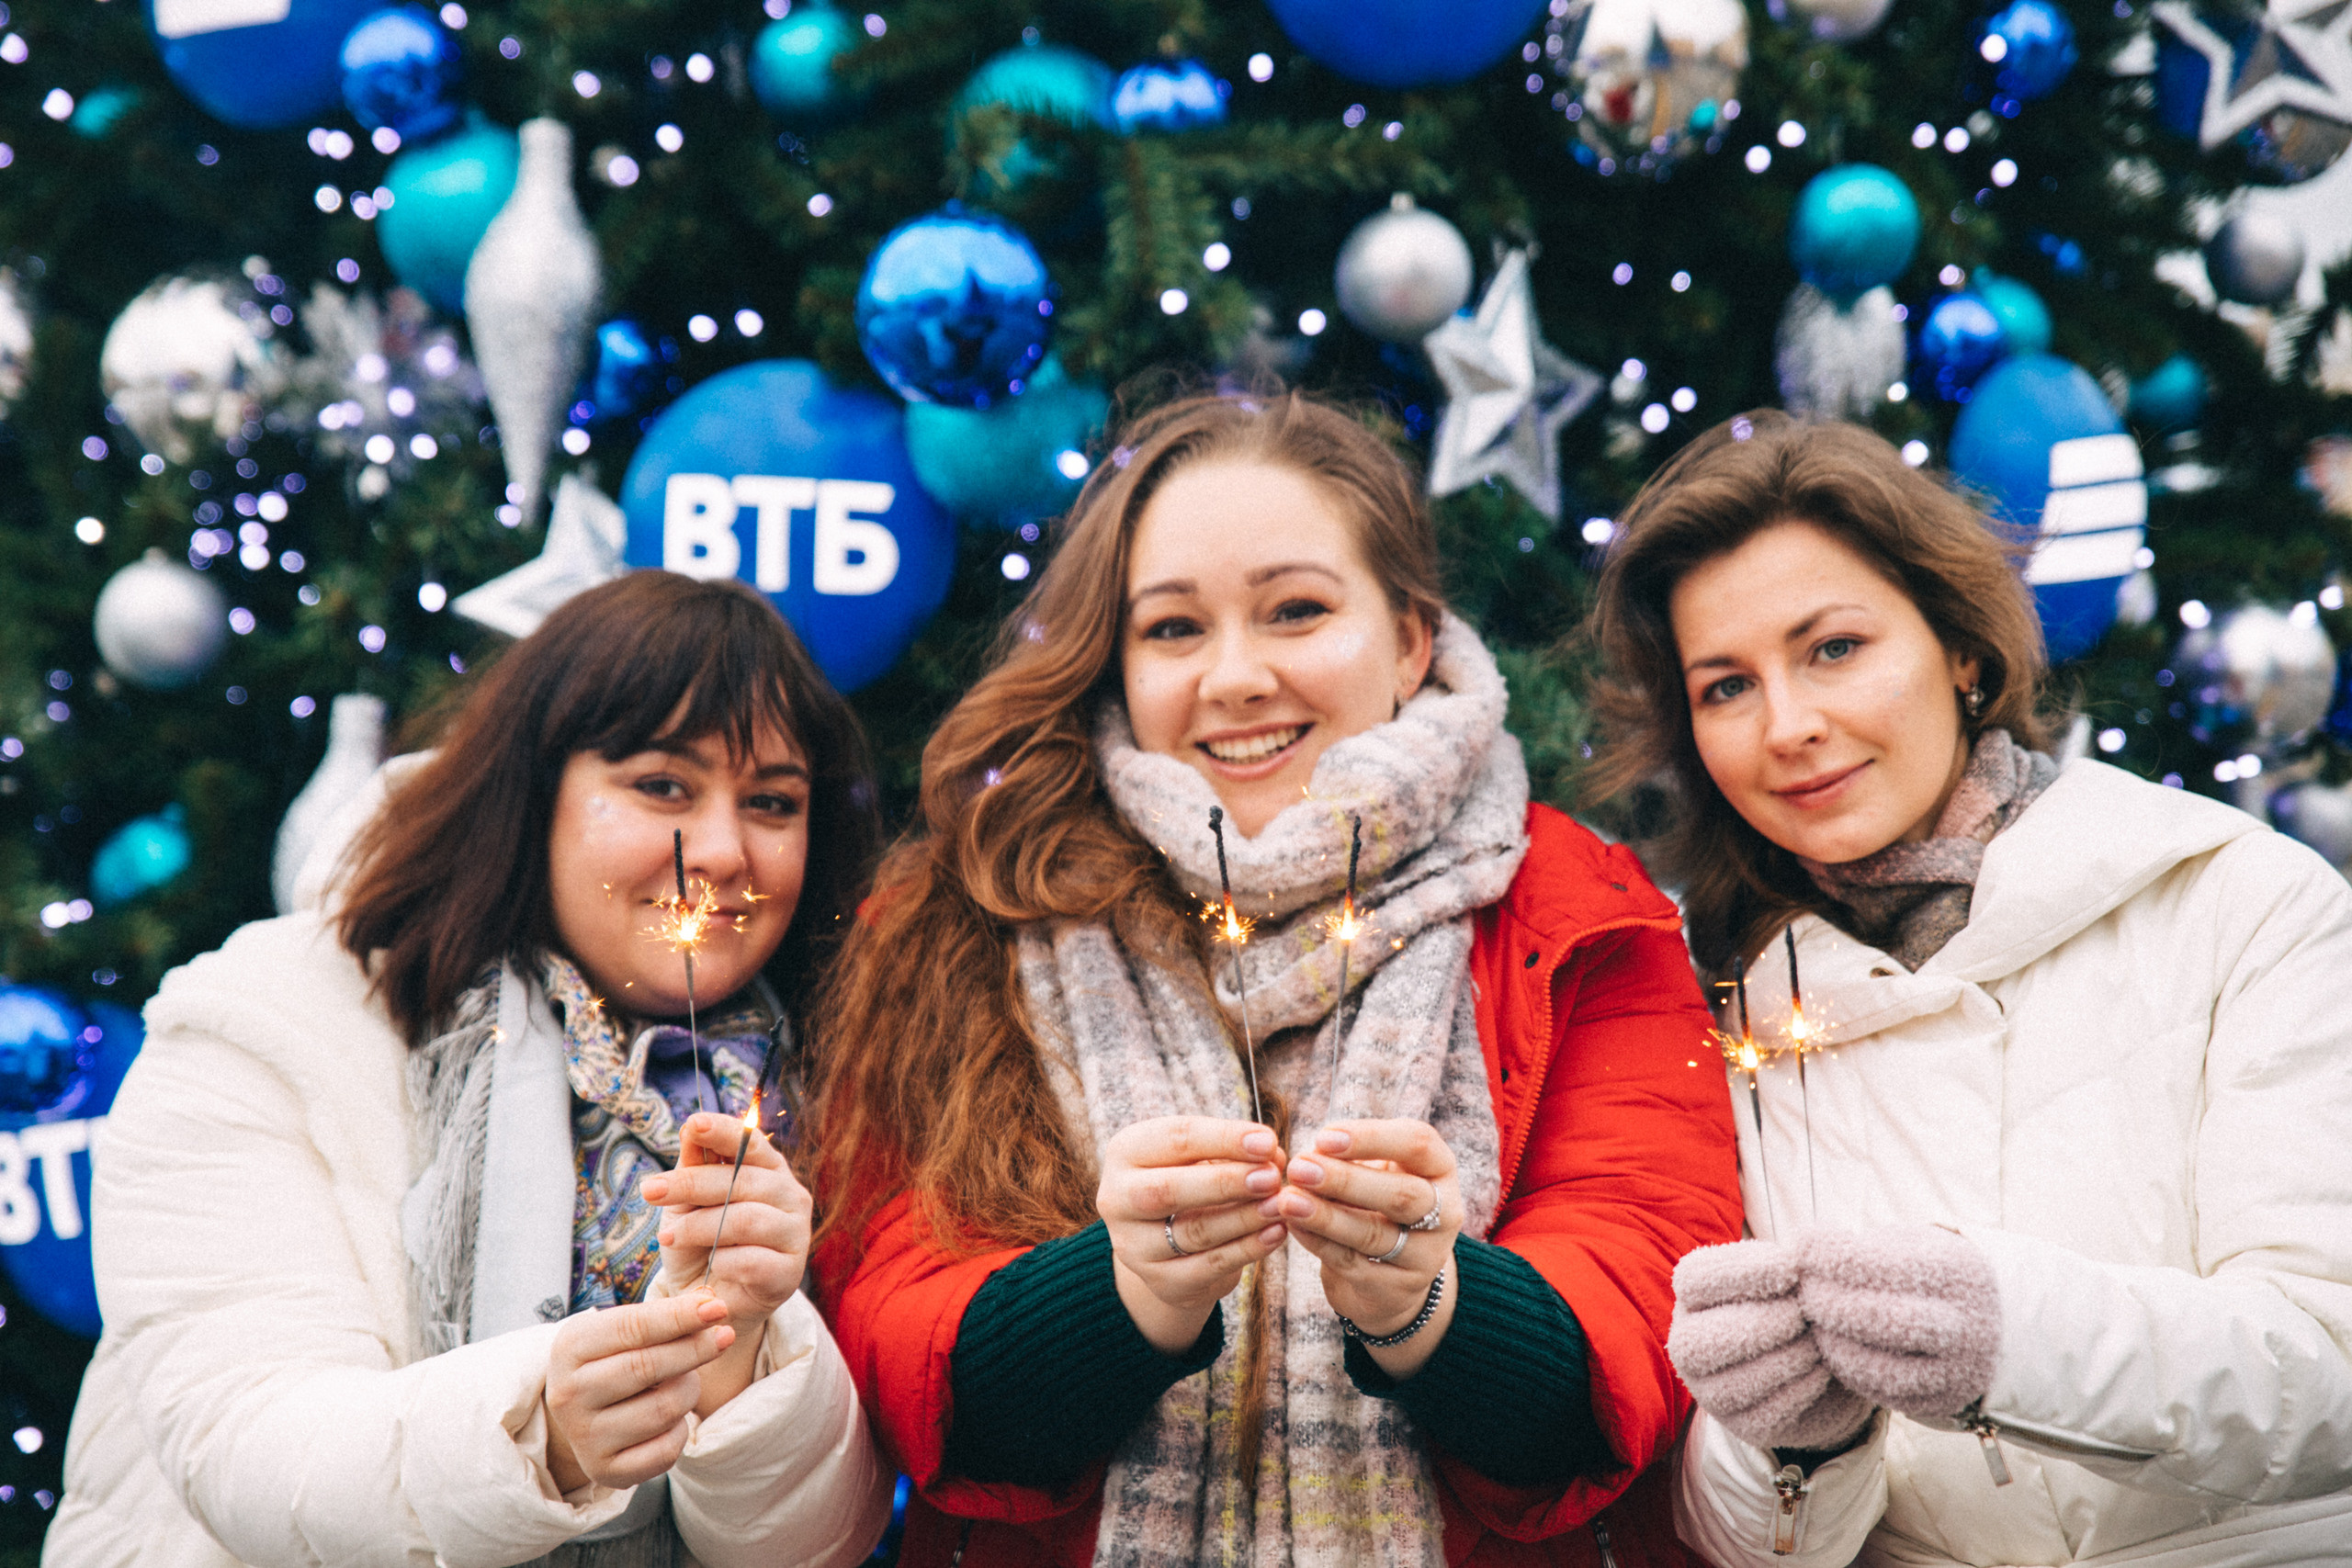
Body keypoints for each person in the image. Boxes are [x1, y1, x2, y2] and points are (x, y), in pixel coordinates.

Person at [807, 389, 1742, 1568]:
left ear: (1409, 638)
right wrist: (1120, 1297)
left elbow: (1638, 1330)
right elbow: (895, 1345)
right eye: (1174, 629)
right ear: (1118, 659)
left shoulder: (1581, 916)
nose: (1236, 677)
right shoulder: (972, 910)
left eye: (1295, 611)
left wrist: (1431, 1303)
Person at [1582, 411, 2352, 1566]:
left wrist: (2019, 1336)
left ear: (1960, 649)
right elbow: (1738, 1544)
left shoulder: (2238, 903)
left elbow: (2329, 1370)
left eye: (1834, 648)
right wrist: (1784, 1446)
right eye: (1726, 686)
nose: (1789, 726)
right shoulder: (1725, 1012)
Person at [51, 572, 894, 1568]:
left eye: (773, 802)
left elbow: (819, 1545)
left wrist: (744, 1359)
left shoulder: (843, 1088)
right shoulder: (266, 1025)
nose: (720, 849)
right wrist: (542, 1432)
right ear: (531, 796)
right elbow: (251, 1448)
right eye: (662, 785)